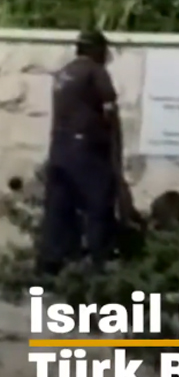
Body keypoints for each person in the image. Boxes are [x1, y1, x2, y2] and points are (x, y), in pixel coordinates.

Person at [38, 30, 123, 277]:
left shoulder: (63, 73)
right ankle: (99, 264)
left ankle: (50, 267)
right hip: (86, 148)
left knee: (58, 208)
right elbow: (109, 110)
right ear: (96, 50)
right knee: (99, 202)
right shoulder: (95, 71)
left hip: (59, 149)